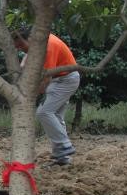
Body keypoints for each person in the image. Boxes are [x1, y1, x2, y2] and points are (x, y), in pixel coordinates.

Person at [13, 29, 80, 165]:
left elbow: (46, 78)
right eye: (17, 47)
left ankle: (65, 146)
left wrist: (31, 95)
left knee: (44, 112)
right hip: (60, 79)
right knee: (56, 116)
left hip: (66, 80)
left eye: (21, 45)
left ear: (29, 39)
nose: (20, 49)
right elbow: (28, 55)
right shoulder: (39, 40)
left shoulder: (48, 47)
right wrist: (22, 66)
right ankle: (62, 158)